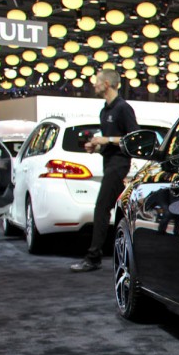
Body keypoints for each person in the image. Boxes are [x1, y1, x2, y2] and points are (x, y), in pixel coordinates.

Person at [70, 69, 139, 272]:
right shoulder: (104, 111)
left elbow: (133, 137)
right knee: (118, 210)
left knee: (102, 208)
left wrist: (106, 140)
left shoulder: (123, 108)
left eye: (97, 82)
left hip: (119, 164)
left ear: (107, 84)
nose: (94, 85)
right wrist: (97, 147)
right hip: (108, 163)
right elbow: (109, 141)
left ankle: (94, 257)